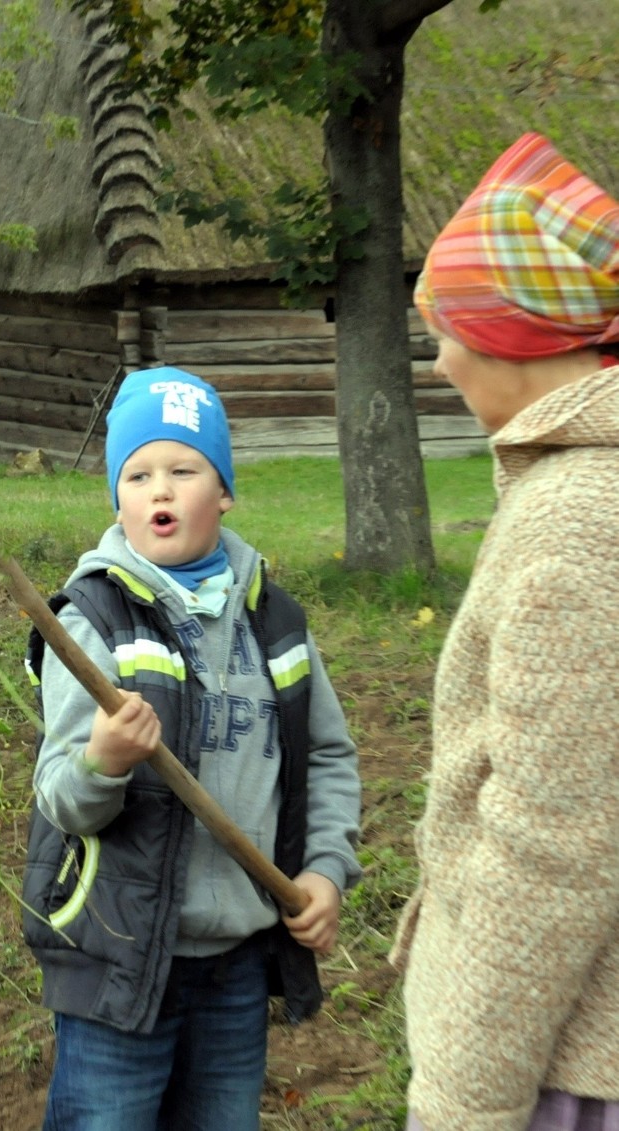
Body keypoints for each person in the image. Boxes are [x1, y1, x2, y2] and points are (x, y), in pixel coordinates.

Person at [22, 366, 362, 1131]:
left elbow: (331, 755)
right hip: (121, 955)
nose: (159, 490)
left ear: (225, 491)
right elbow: (62, 797)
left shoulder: (273, 619)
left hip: (236, 961)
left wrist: (326, 869)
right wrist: (103, 758)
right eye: (137, 474)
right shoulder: (95, 618)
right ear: (117, 496)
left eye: (184, 469)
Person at [391, 131, 619, 1131]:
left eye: (447, 329)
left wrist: (464, 1100)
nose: (438, 361)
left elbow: (554, 849)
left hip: (566, 1063)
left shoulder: (576, 522)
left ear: (511, 332)